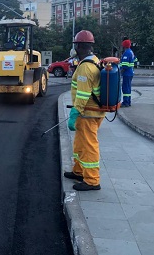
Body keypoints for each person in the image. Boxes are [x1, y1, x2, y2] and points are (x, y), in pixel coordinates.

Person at [64, 30, 105, 191]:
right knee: (80, 143)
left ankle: (92, 180)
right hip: (89, 111)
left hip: (87, 112)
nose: (73, 49)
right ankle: (79, 171)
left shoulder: (85, 68)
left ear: (80, 46)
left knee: (89, 145)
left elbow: (82, 94)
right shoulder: (94, 61)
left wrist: (75, 113)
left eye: (75, 45)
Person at [120, 39, 135, 107]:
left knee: (125, 88)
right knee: (128, 87)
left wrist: (120, 72)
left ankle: (125, 102)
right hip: (130, 72)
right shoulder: (131, 52)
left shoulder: (126, 53)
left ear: (124, 46)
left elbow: (125, 65)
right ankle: (128, 101)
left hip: (127, 73)